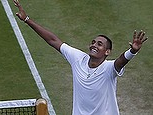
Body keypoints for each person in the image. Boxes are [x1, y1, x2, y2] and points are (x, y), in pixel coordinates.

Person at [13, 0, 148, 115]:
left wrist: (132, 51)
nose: (94, 45)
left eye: (99, 44)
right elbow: (53, 40)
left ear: (107, 52)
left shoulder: (108, 69)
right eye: (93, 42)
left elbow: (121, 61)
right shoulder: (78, 58)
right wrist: (27, 20)